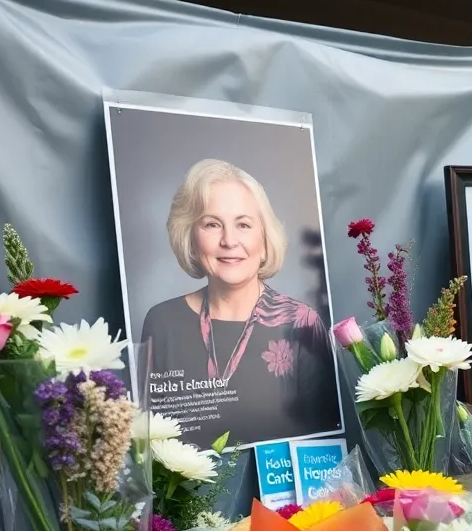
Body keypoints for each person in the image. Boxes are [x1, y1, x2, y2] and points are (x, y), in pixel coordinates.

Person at [141, 159, 339, 449]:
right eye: (212, 224)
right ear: (191, 237)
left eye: (243, 224)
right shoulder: (161, 322)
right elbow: (146, 445)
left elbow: (327, 450)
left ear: (264, 239)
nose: (229, 240)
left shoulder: (301, 324)